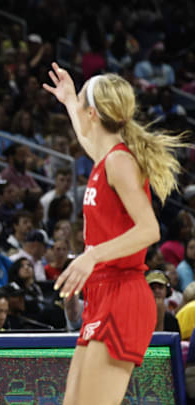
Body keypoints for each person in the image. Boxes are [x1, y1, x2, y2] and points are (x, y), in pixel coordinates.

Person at [44, 64, 188, 404]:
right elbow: (84, 135)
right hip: (102, 295)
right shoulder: (106, 158)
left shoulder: (119, 161)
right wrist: (67, 99)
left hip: (123, 293)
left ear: (93, 113)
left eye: (80, 102)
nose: (78, 109)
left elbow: (149, 229)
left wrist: (92, 254)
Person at [145, 270, 180, 335]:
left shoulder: (170, 319)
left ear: (167, 291)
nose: (157, 291)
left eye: (160, 287)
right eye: (152, 288)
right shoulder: (138, 316)